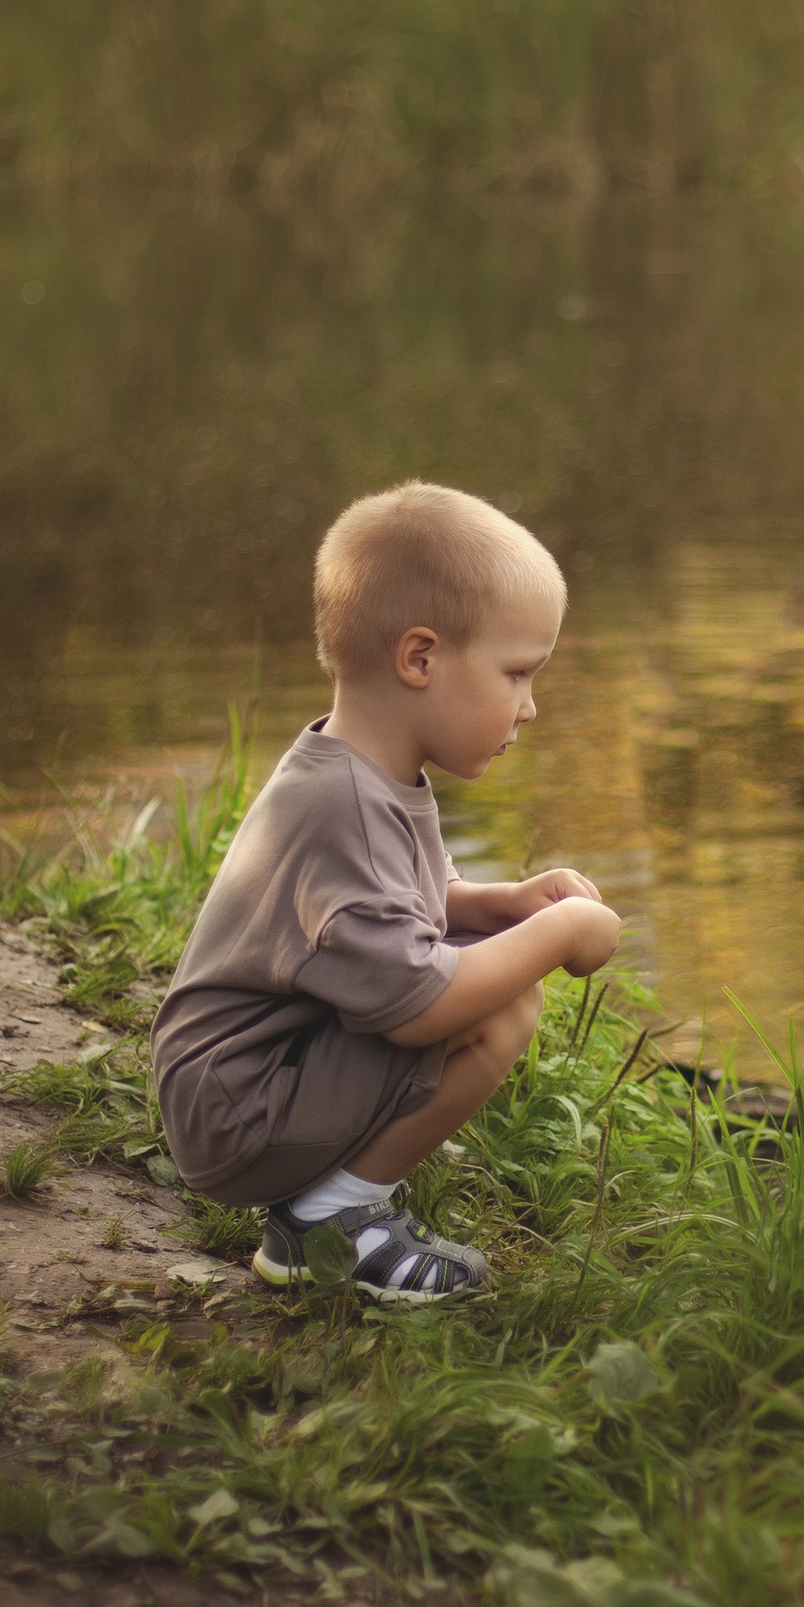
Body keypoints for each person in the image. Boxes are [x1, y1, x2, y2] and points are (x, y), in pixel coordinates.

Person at [150, 482, 620, 1306]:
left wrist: (504, 903)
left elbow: (413, 906)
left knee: (492, 968)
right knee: (500, 1004)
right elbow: (418, 1007)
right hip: (239, 1113)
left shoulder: (362, 766)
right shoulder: (346, 808)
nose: (531, 708)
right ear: (420, 659)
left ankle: (330, 1206)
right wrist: (565, 929)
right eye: (517, 674)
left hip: (253, 1082)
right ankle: (326, 1225)